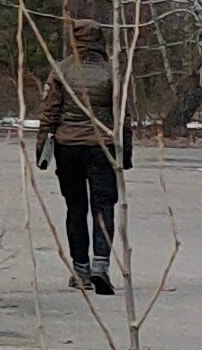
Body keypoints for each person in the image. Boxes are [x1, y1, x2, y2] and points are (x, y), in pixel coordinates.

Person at [35, 26, 131, 295]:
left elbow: (50, 111)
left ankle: (81, 270)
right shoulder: (112, 72)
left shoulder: (62, 70)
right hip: (103, 146)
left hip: (69, 146)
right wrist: (126, 154)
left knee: (75, 207)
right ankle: (101, 266)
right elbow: (123, 116)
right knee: (104, 206)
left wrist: (42, 148)